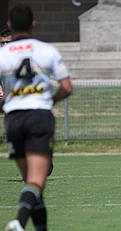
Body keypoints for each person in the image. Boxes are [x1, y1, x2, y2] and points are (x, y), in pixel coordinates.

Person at [0, 4, 73, 231]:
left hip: (13, 119)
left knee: (31, 182)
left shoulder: (2, 54)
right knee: (36, 181)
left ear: (10, 25)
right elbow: (67, 87)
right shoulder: (46, 50)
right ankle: (19, 222)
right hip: (39, 117)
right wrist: (49, 100)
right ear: (33, 24)